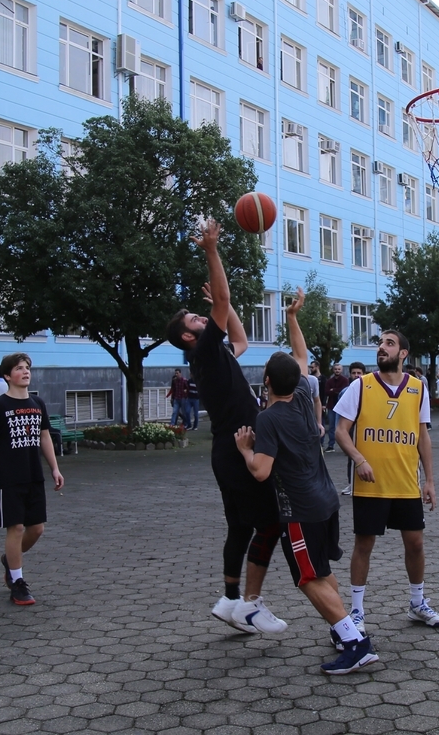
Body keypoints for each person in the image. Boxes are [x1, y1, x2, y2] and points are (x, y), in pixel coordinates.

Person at [234, 289, 378, 673]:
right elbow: (300, 355)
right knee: (323, 572)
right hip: (327, 501)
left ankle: (356, 643)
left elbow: (261, 471)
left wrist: (245, 449)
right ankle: (344, 631)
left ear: (265, 380)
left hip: (300, 510)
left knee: (307, 578)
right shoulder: (301, 394)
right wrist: (292, 317)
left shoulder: (268, 419)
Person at [166, 219, 286, 634]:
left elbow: (242, 339)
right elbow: (223, 298)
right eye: (195, 319)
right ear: (188, 337)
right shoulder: (204, 353)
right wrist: (211, 250)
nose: (203, 317)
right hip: (238, 450)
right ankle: (251, 604)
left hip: (228, 449)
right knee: (270, 523)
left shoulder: (214, 356)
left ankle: (230, 599)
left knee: (240, 526)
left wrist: (224, 307)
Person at [334, 329, 439, 634]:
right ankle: (357, 612)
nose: (382, 347)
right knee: (364, 545)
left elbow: (423, 436)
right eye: (380, 343)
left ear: (403, 353)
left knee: (416, 543)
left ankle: (417, 603)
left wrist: (430, 480)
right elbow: (341, 431)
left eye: (389, 343)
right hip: (371, 486)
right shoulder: (361, 386)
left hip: (406, 483)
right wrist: (359, 459)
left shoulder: (418, 388)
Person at [0, 353, 63, 605]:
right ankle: (18, 582)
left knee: (37, 529)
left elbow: (45, 437)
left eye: (27, 368)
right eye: (19, 368)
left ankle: (10, 560)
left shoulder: (37, 403)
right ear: (7, 376)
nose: (25, 372)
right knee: (17, 528)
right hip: (8, 478)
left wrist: (55, 468)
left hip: (34, 476)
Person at [339, 362, 366, 494]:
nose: (356, 375)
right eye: (354, 373)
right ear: (350, 375)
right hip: (351, 427)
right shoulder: (345, 391)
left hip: (365, 428)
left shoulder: (369, 390)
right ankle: (351, 483)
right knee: (352, 456)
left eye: (359, 373)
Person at [324, 363, 350, 451]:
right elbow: (327, 392)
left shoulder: (345, 380)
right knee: (331, 426)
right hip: (331, 406)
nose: (337, 371)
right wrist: (336, 391)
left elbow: (344, 391)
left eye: (339, 369)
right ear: (333, 370)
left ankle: (344, 446)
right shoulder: (329, 381)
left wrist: (333, 390)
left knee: (341, 427)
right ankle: (331, 445)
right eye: (335, 369)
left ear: (341, 370)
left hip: (342, 407)